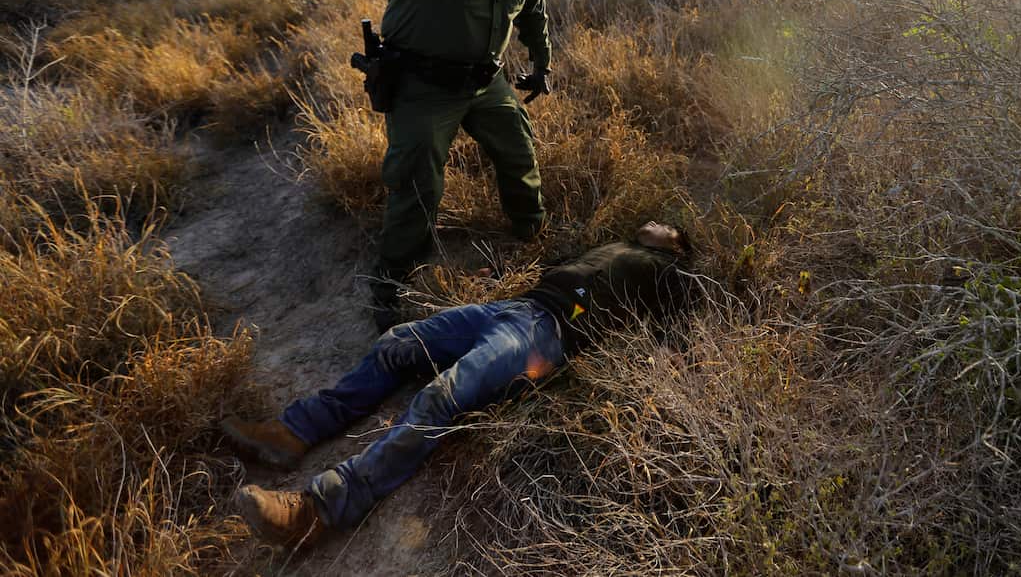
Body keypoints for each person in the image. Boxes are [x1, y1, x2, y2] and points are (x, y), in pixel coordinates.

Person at [223, 221, 695, 549]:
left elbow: (678, 317)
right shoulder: (612, 248)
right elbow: (553, 266)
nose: (652, 222)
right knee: (396, 343)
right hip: (510, 308)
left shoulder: (664, 270)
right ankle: (295, 431)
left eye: (664, 224)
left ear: (674, 243)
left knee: (440, 396)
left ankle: (316, 511)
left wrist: (675, 356)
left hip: (542, 337)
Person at [363, 0, 553, 329]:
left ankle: (531, 233)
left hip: (484, 81)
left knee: (519, 151)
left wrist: (542, 61)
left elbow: (533, 8)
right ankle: (391, 280)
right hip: (422, 85)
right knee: (418, 182)